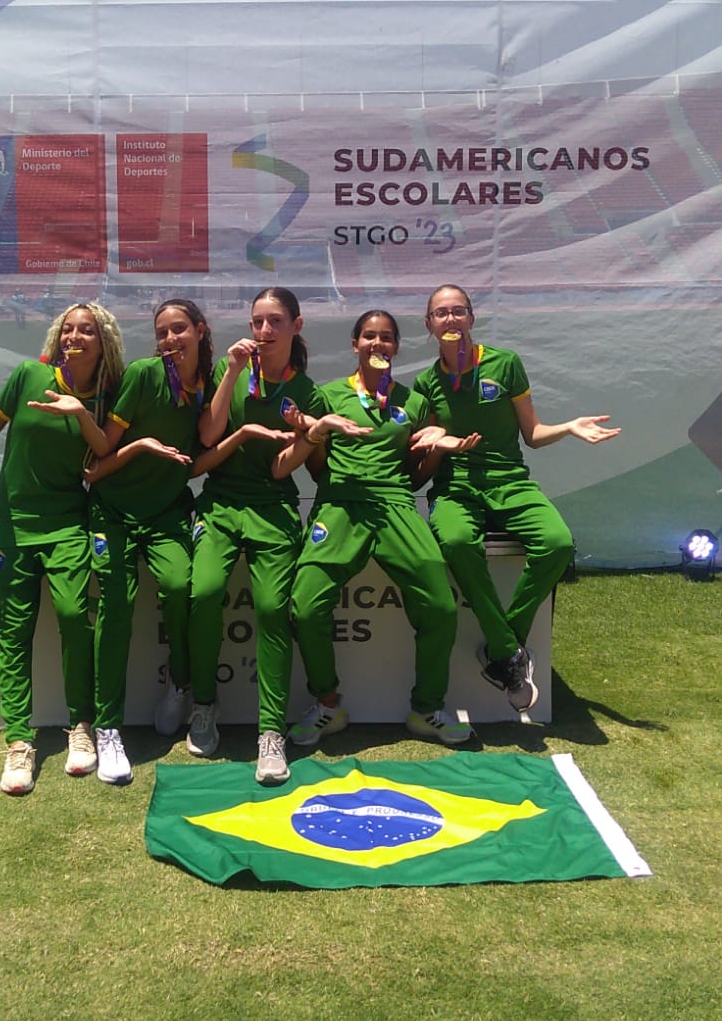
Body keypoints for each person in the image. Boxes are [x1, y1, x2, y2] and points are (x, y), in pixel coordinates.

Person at [0, 302, 123, 796]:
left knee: (76, 616)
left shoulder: (107, 396)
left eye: (87, 330)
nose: (75, 336)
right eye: (68, 329)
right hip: (14, 523)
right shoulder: (30, 374)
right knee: (14, 629)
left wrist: (79, 411)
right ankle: (18, 742)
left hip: (69, 523)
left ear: (104, 342)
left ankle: (81, 728)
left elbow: (102, 456)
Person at [412, 285, 620, 712]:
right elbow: (429, 458)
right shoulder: (426, 382)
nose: (450, 320)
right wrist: (438, 445)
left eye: (458, 311)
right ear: (429, 325)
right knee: (454, 542)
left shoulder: (505, 364)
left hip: (511, 482)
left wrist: (568, 427)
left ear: (471, 318)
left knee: (558, 544)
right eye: (441, 314)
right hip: (456, 488)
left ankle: (504, 645)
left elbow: (533, 435)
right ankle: (508, 650)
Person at [187, 287, 364, 785]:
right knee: (202, 593)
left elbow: (285, 470)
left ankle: (271, 732)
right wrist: (232, 375)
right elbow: (207, 437)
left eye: (274, 322)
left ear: (296, 327)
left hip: (273, 507)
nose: (263, 332)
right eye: (257, 322)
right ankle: (203, 705)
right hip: (220, 504)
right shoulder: (230, 371)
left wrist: (310, 434)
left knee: (272, 609)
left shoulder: (307, 392)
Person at [287, 309, 477, 750]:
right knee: (305, 604)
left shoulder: (412, 402)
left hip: (396, 505)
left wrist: (435, 449)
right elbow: (316, 467)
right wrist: (321, 447)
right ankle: (328, 703)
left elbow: (414, 476)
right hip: (339, 505)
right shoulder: (328, 395)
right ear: (355, 345)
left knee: (441, 606)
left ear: (395, 347)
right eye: (369, 337)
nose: (378, 344)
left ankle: (426, 708)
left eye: (387, 338)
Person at [84, 298, 213, 785]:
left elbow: (203, 450)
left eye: (179, 329)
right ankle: (108, 729)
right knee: (117, 605)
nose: (169, 340)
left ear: (200, 331)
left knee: (181, 588)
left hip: (166, 514)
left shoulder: (212, 383)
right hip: (113, 511)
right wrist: (139, 447)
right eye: (162, 332)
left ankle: (181, 685)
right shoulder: (142, 374)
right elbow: (100, 459)